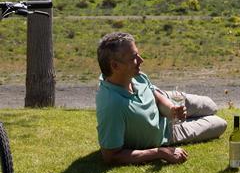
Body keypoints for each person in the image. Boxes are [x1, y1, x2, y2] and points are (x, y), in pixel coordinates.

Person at [95, 32, 227, 165]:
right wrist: (160, 152)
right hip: (169, 133)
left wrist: (172, 109)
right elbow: (111, 156)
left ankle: (180, 112)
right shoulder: (112, 105)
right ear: (115, 66)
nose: (141, 60)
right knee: (220, 124)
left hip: (168, 101)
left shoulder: (135, 75)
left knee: (211, 105)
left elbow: (155, 96)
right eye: (133, 58)